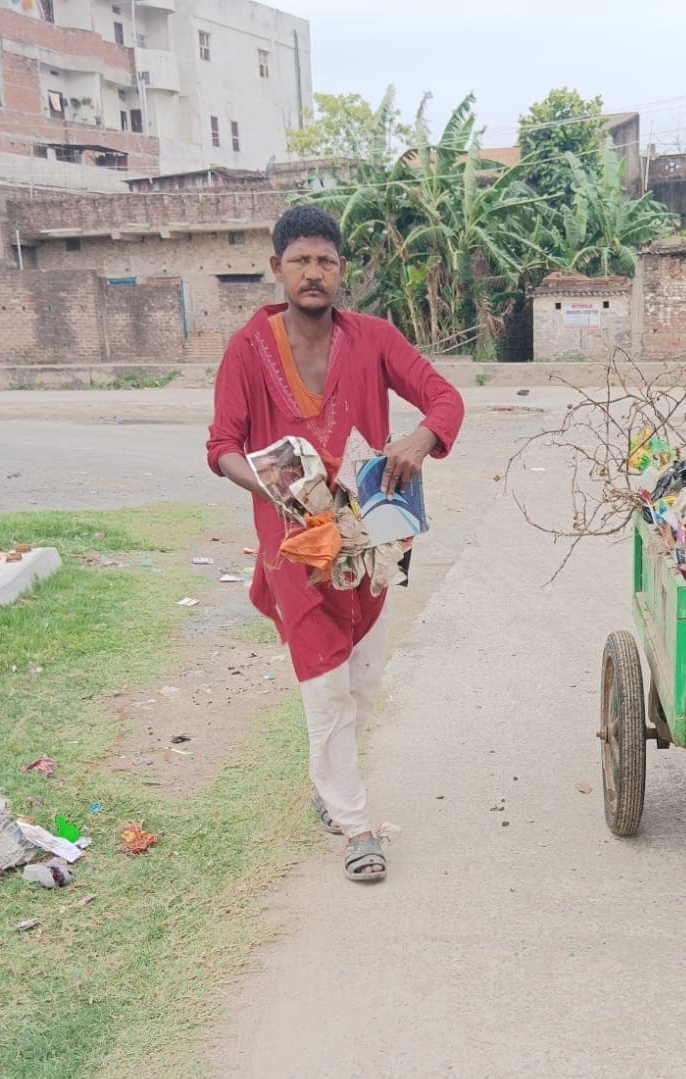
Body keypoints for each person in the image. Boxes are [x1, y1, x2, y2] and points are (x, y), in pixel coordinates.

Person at [206, 205, 464, 884]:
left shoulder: (374, 338)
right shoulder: (247, 350)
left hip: (373, 545)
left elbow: (444, 399)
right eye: (300, 261)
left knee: (361, 684)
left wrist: (418, 439)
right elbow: (223, 447)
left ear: (341, 271)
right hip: (295, 551)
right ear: (277, 269)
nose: (313, 273)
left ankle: (331, 784)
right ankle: (355, 827)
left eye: (325, 261)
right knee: (325, 688)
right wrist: (273, 491)